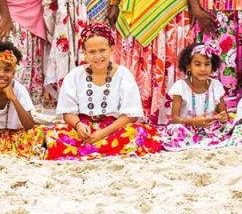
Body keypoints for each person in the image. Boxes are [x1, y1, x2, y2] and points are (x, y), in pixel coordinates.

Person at [44, 24, 162, 161]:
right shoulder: (75, 75)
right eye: (92, 52)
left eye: (102, 50)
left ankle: (86, 150)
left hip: (113, 129)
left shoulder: (123, 74)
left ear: (112, 49)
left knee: (137, 132)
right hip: (83, 130)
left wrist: (103, 133)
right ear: (84, 52)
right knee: (54, 133)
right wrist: (79, 125)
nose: (98, 56)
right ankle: (100, 149)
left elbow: (131, 115)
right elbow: (67, 112)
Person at [159, 43, 233, 150]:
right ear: (188, 66)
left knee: (232, 125)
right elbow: (175, 119)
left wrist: (223, 117)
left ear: (212, 65)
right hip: (187, 127)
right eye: (197, 64)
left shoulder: (215, 85)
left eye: (207, 64)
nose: (203, 69)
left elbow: (224, 113)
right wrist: (194, 122)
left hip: (209, 128)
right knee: (178, 131)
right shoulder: (180, 86)